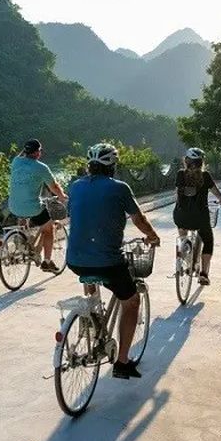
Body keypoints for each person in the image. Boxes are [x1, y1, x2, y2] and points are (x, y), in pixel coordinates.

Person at [66, 143, 161, 380]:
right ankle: (122, 362)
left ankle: (92, 316)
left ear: (90, 166)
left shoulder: (75, 186)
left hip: (75, 259)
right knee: (131, 301)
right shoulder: (120, 188)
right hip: (108, 261)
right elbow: (138, 219)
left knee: (91, 272)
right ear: (113, 166)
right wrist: (152, 236)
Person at [8, 138, 68, 273]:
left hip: (13, 206)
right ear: (38, 153)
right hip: (32, 208)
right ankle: (47, 261)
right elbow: (54, 187)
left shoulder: (16, 161)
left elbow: (19, 155)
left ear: (24, 151)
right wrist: (62, 197)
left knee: (38, 219)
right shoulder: (41, 167)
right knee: (49, 227)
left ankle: (30, 246)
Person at [173, 147, 221, 286]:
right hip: (200, 218)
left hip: (181, 216)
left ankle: (183, 253)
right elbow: (216, 192)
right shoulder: (206, 176)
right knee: (208, 241)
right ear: (201, 162)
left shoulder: (180, 174)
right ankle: (203, 274)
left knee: (182, 233)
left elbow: (178, 193)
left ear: (186, 161)